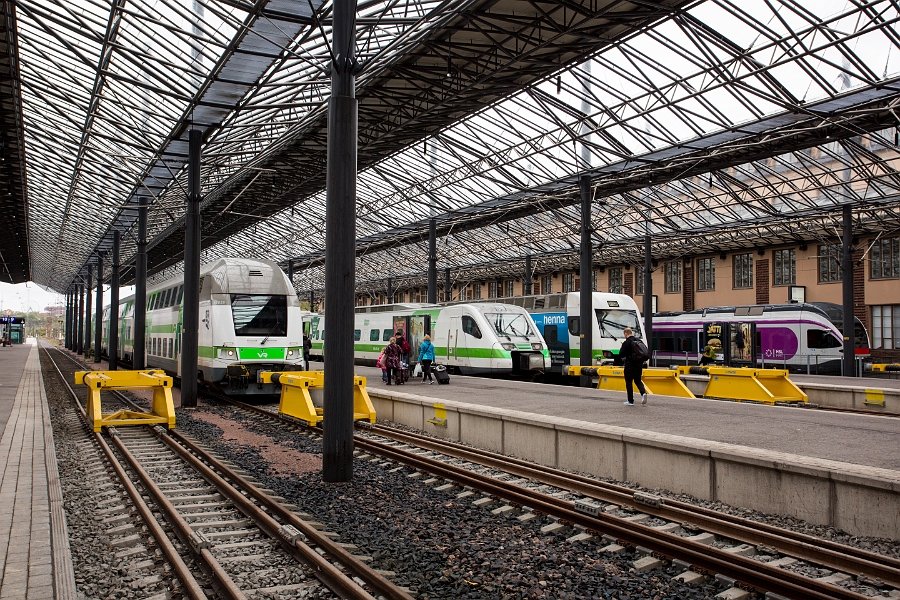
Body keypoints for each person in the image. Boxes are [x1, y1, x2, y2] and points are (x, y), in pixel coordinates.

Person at [619, 327, 647, 406]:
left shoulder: (626, 342)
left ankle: (630, 401)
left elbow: (621, 354)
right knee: (638, 380)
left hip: (629, 365)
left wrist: (621, 349)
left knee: (629, 382)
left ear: (625, 334)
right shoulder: (639, 341)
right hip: (639, 365)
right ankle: (643, 393)